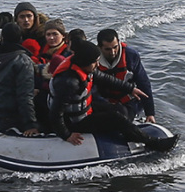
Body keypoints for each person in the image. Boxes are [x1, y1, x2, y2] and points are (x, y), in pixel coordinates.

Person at [46, 39, 177, 151]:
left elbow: (104, 78)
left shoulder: (82, 67)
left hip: (83, 108)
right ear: (84, 62)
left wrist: (130, 89)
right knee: (116, 118)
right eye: (95, 62)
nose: (98, 64)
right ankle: (154, 143)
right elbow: (55, 112)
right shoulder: (69, 82)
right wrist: (66, 135)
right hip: (74, 121)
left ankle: (129, 132)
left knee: (117, 110)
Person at [96, 28, 156, 122]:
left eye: (115, 47)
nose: (112, 52)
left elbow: (143, 83)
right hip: (103, 101)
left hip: (127, 100)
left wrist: (150, 113)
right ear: (99, 47)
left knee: (122, 118)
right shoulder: (93, 59)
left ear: (119, 43)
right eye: (107, 49)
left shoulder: (131, 56)